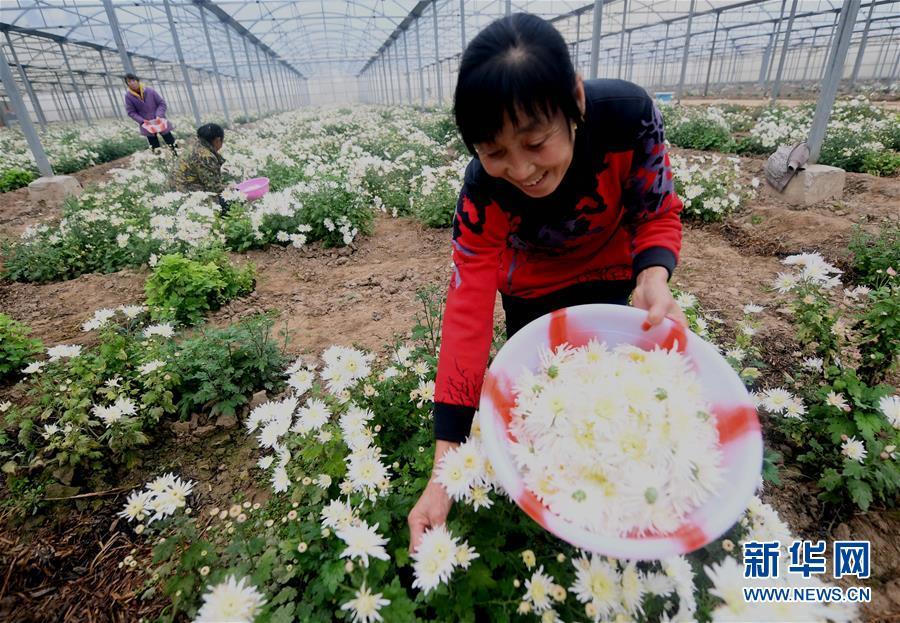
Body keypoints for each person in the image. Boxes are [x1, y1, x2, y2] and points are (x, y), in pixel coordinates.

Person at [407, 13, 689, 553]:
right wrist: (446, 471)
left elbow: (655, 212)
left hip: (609, 275)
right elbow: (467, 311)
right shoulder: (482, 193)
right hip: (530, 291)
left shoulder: (629, 117)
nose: (521, 170)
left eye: (535, 143)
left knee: (609, 396)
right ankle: (563, 518)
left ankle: (617, 506)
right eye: (494, 152)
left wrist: (652, 276)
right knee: (546, 407)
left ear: (575, 102)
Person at [170, 123, 227, 202]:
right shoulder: (205, 156)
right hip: (186, 193)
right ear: (217, 140)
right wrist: (233, 188)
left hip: (175, 188)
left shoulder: (196, 145)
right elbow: (213, 187)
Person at [123, 73, 177, 153]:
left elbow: (161, 103)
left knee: (170, 140)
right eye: (129, 82)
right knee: (154, 146)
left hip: (159, 120)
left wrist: (159, 115)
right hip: (146, 123)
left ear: (137, 81)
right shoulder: (129, 96)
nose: (132, 83)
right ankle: (160, 162)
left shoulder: (150, 91)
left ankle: (177, 156)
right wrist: (142, 120)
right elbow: (131, 112)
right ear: (127, 84)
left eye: (133, 80)